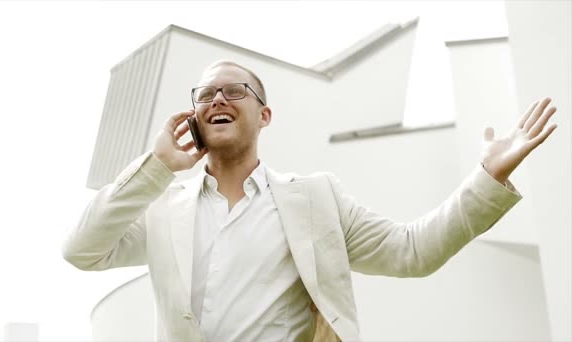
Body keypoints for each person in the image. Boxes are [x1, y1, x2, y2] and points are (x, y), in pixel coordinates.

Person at [62, 60, 558, 342]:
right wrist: (156, 166)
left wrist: (487, 176)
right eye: (205, 93)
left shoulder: (317, 198)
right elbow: (81, 250)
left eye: (234, 90)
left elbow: (414, 251)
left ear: (265, 114)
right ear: (192, 116)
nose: (217, 99)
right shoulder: (162, 206)